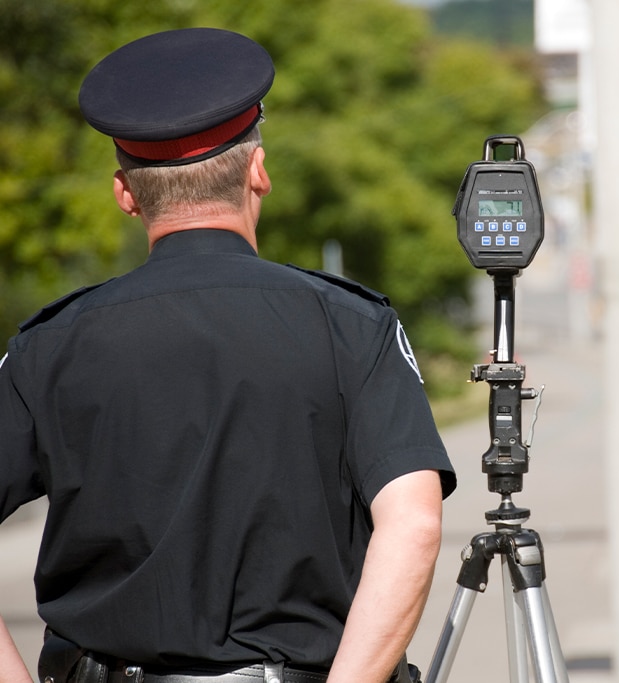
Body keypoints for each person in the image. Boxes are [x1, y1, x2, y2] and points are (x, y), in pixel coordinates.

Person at [0, 27, 456, 683]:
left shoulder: (48, 344)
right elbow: (412, 525)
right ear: (258, 171)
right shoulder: (352, 324)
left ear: (126, 194)